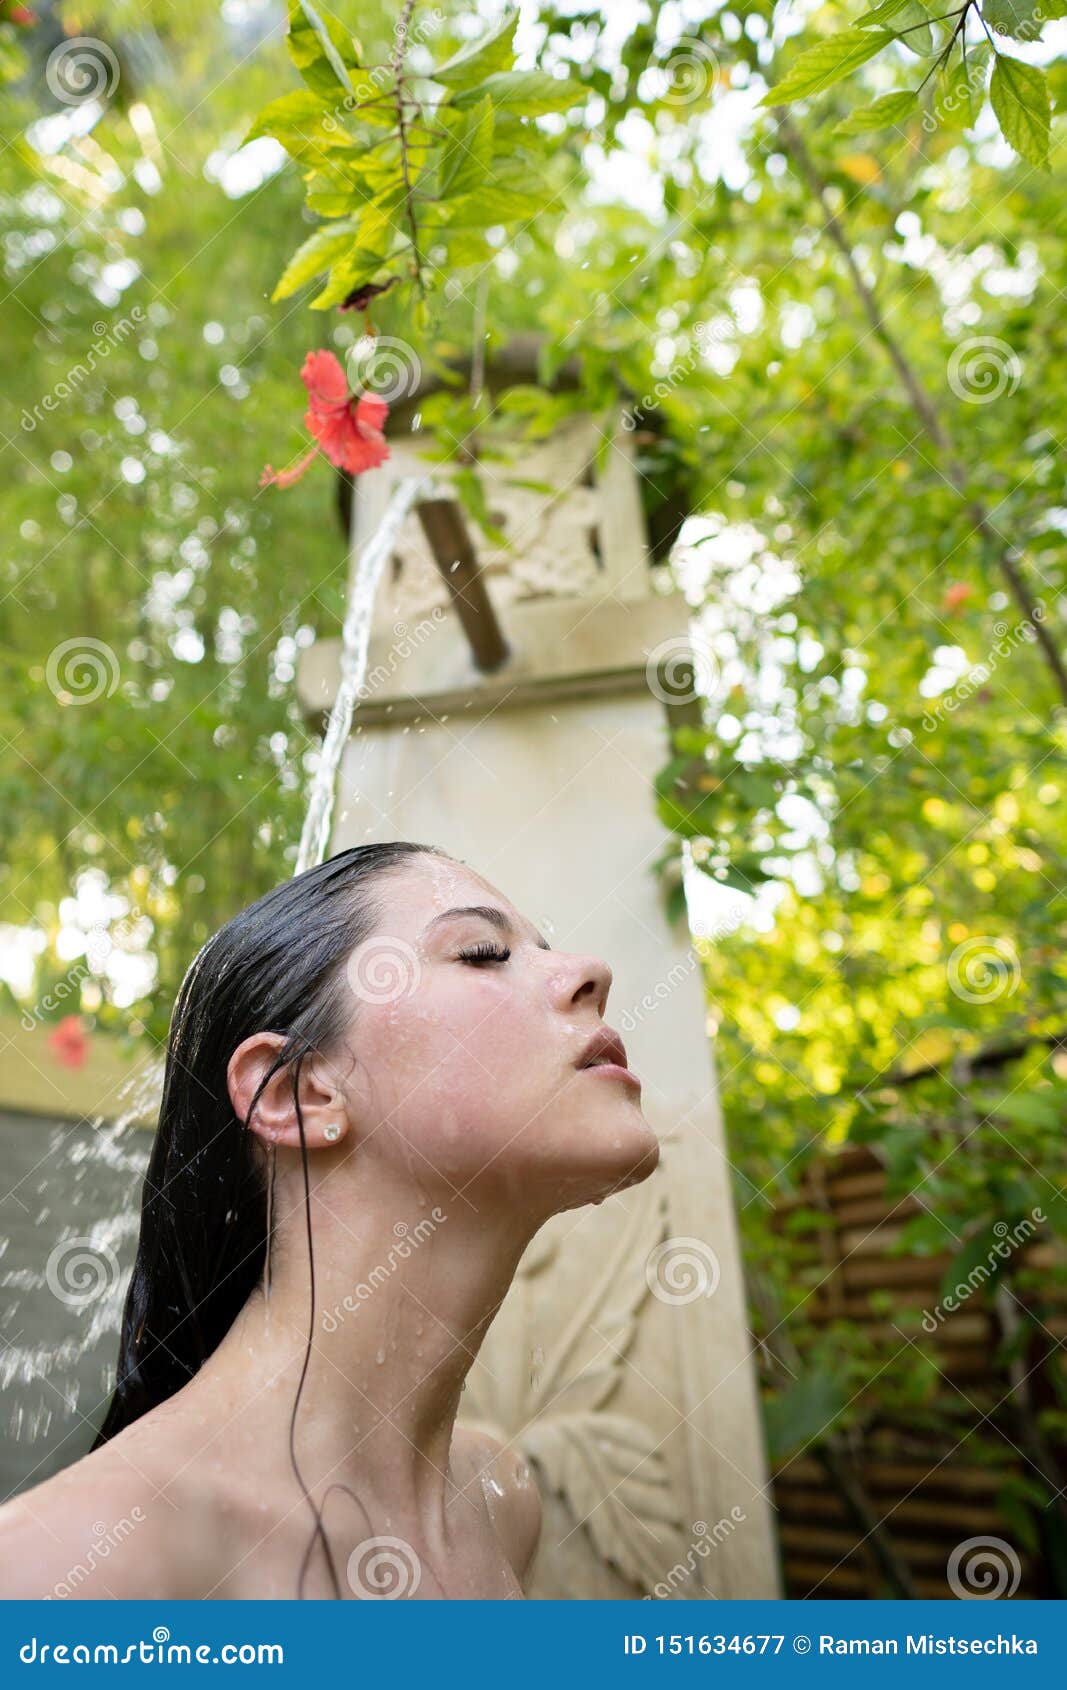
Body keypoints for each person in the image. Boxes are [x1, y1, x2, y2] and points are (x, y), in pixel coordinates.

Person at [0, 842, 660, 1599]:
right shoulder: (70, 1568)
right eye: (482, 953)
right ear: (296, 1094)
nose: (590, 972)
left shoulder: (497, 1504)